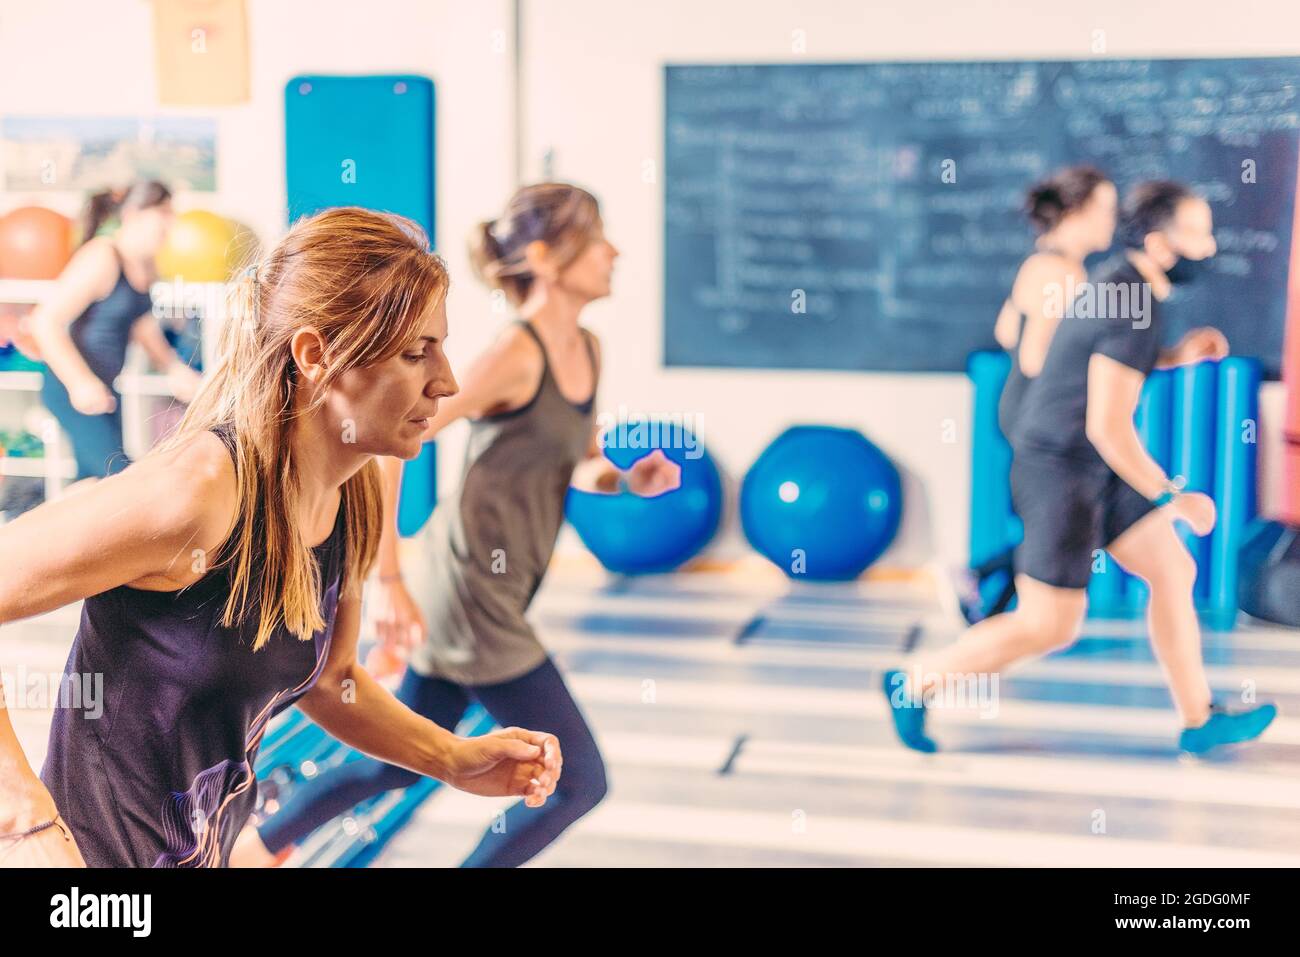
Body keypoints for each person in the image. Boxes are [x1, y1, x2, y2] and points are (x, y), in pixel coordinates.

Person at [0, 207, 561, 868]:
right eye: (416, 352)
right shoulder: (198, 494)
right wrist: (25, 819)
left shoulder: (356, 492)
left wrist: (452, 758)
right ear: (317, 355)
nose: (448, 381)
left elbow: (332, 680)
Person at [235, 182, 680, 869]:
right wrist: (387, 577)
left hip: (496, 590)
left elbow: (579, 461)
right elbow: (393, 437)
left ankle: (251, 848)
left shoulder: (587, 349)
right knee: (578, 779)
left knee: (401, 763)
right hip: (470, 594)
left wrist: (625, 479)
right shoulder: (514, 353)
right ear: (547, 256)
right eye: (597, 237)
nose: (613, 251)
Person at [886, 180, 1277, 755]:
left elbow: (1094, 359)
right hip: (1061, 468)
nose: (1210, 246)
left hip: (1085, 461)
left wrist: (1174, 357)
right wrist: (1173, 498)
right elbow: (1107, 425)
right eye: (1196, 234)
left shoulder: (1124, 284)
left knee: (1172, 571)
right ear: (1159, 241)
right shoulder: (1132, 301)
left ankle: (1199, 719)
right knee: (1051, 626)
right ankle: (914, 683)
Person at [962, 166, 1118, 621]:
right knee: (1062, 514)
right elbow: (1036, 358)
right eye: (1105, 209)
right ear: (1076, 212)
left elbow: (1005, 327)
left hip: (1024, 406)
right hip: (1038, 413)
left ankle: (983, 589)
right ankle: (981, 581)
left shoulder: (1046, 263)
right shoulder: (1059, 273)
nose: (1113, 219)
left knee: (1061, 515)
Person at [27, 182, 202, 488]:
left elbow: (141, 325)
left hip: (106, 388)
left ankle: (67, 535)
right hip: (69, 388)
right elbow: (44, 321)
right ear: (134, 214)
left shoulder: (146, 265)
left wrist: (174, 369)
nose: (171, 223)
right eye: (163, 212)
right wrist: (80, 383)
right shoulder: (102, 255)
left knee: (91, 483)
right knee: (122, 481)